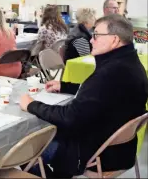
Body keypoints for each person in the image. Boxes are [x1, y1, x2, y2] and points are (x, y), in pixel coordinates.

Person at [20, 14, 148, 178]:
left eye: (96, 35)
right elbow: (105, 94)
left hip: (96, 154)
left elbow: (69, 117)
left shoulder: (108, 73)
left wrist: (30, 104)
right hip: (121, 151)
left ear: (114, 40)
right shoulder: (130, 64)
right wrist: (65, 86)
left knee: (24, 146)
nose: (91, 40)